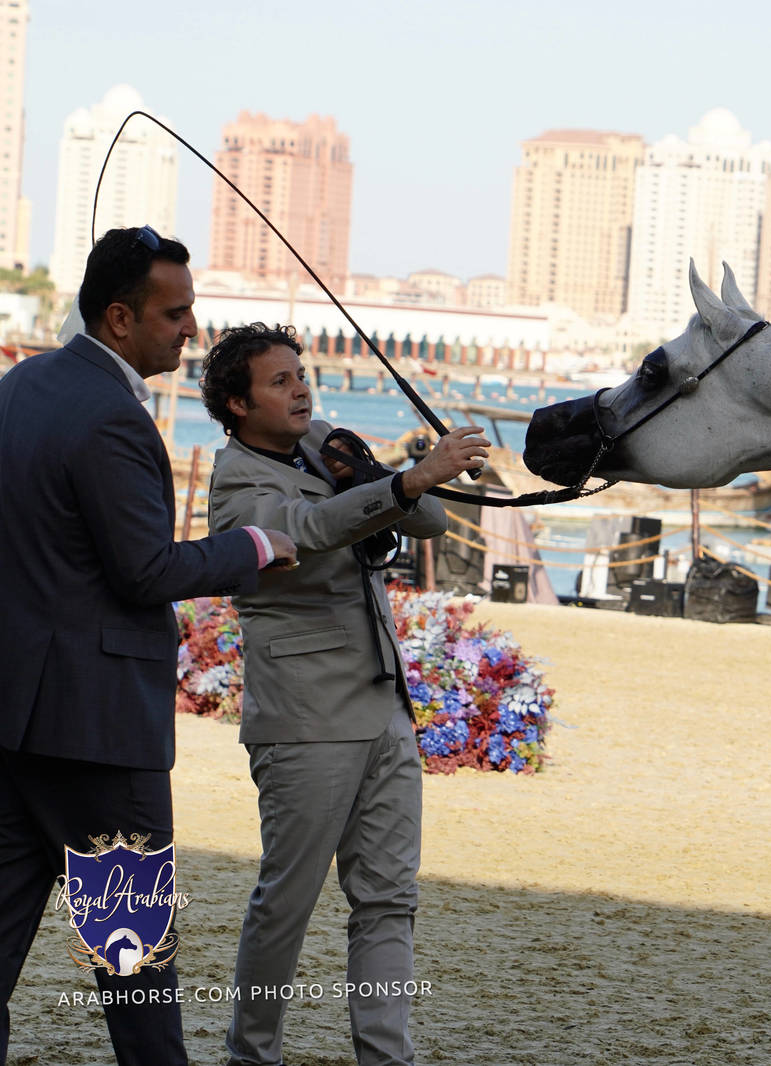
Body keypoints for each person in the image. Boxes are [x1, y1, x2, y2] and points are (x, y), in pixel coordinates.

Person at [0, 227, 296, 1066]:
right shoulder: (113, 419)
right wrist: (254, 546)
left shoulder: (19, 387)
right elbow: (145, 571)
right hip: (98, 735)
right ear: (120, 318)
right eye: (175, 313)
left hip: (14, 722)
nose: (192, 329)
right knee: (136, 973)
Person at [200, 323, 489, 1066]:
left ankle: (386, 1058)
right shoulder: (236, 482)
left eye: (301, 375)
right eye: (279, 381)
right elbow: (307, 529)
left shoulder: (320, 442)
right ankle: (252, 1055)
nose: (301, 390)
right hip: (305, 719)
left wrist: (388, 471)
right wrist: (400, 482)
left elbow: (430, 520)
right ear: (237, 404)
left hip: (383, 705)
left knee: (390, 899)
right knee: (287, 903)